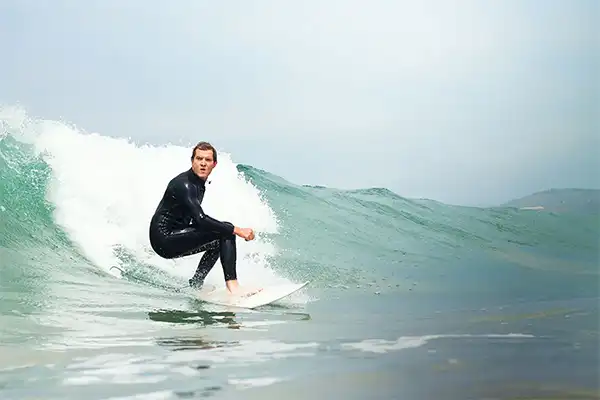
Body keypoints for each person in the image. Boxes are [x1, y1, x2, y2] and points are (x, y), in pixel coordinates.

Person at [149, 141, 257, 295]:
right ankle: (233, 287)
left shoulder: (198, 184)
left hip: (172, 236)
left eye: (207, 160)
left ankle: (196, 283)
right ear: (192, 161)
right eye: (199, 159)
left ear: (214, 164)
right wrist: (238, 230)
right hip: (164, 239)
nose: (203, 164)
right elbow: (200, 219)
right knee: (226, 230)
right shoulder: (184, 185)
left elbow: (195, 219)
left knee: (217, 240)